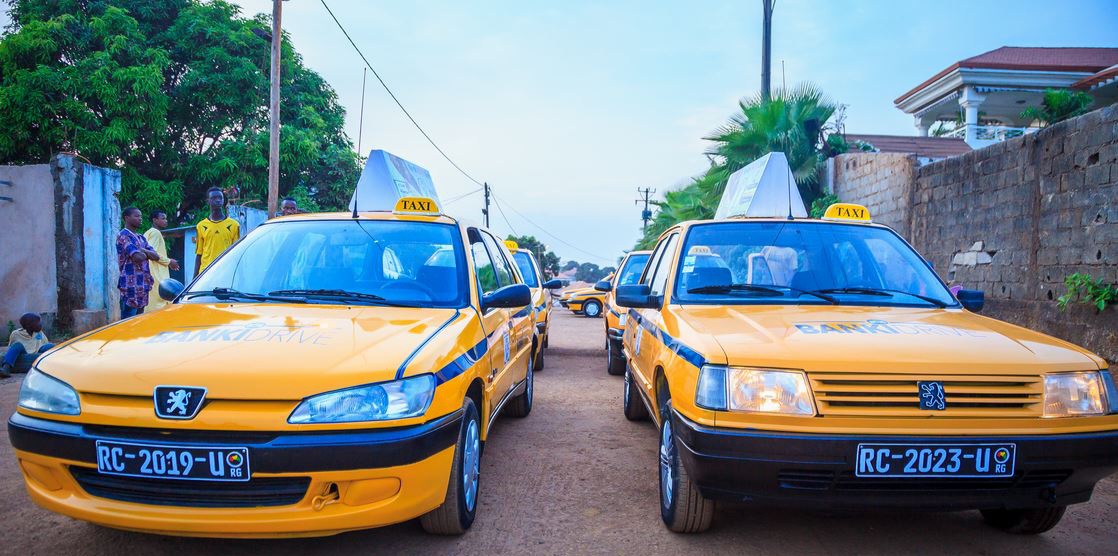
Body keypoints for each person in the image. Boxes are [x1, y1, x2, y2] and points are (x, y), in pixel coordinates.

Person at [117, 207, 160, 319]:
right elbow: (138, 257)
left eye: (140, 216)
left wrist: (143, 250)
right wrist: (146, 254)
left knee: (139, 321)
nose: (140, 218)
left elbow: (156, 256)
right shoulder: (124, 236)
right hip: (130, 286)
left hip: (143, 286)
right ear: (127, 218)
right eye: (136, 216)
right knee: (128, 322)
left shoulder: (141, 238)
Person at [195, 187, 241, 271]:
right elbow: (199, 254)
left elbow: (236, 252)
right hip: (206, 272)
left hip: (225, 271)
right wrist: (195, 277)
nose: (218, 200)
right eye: (214, 198)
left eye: (220, 198)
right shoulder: (201, 226)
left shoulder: (234, 225)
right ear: (208, 201)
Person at [143, 210, 181, 311]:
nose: (166, 221)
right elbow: (152, 253)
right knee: (159, 301)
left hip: (151, 271)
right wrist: (169, 262)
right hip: (156, 273)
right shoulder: (155, 233)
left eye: (166, 218)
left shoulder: (148, 232)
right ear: (155, 220)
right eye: (163, 218)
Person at [1, 313, 53, 377]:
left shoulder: (39, 333)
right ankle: (6, 369)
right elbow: (11, 349)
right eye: (37, 322)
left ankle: (57, 364)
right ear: (28, 325)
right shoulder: (16, 334)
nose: (40, 324)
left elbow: (44, 343)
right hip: (24, 354)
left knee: (50, 346)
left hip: (37, 352)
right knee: (17, 345)